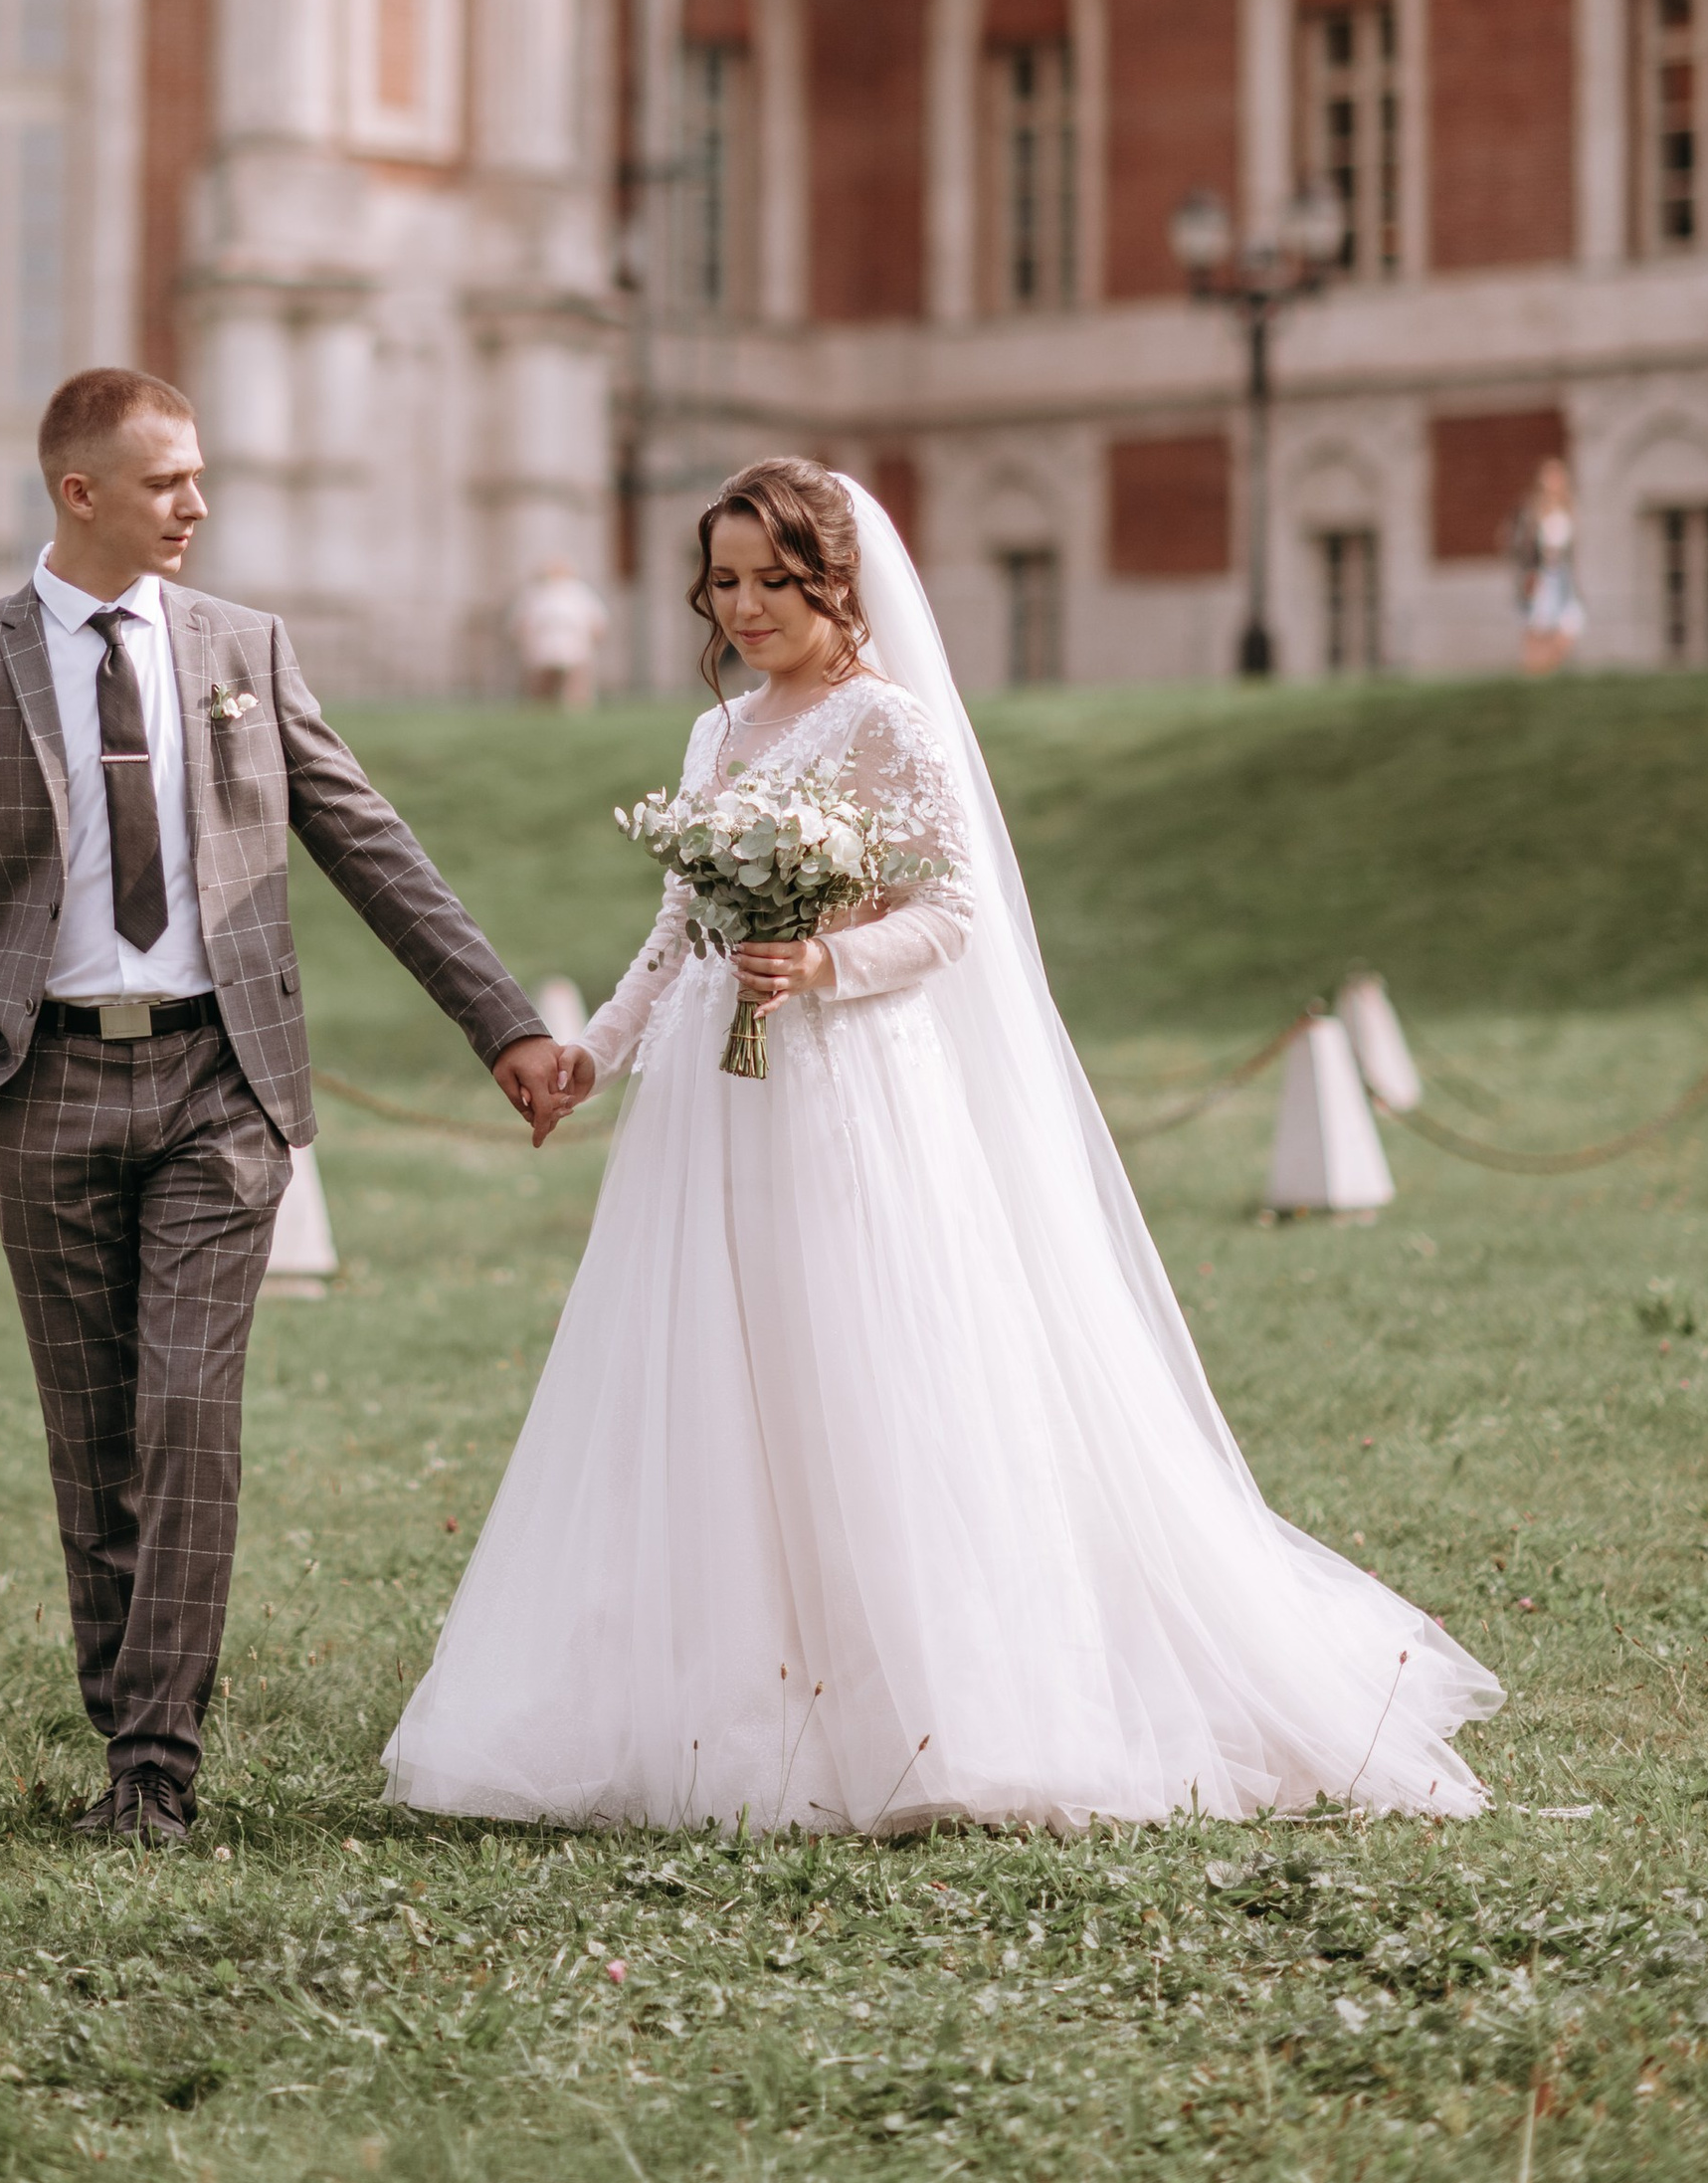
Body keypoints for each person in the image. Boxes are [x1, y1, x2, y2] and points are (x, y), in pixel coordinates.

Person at [387, 458, 1499, 1836]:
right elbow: (677, 938)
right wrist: (591, 1057)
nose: (743, 607)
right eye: (724, 581)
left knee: (854, 1370)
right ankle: (723, 1693)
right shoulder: (713, 734)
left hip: (844, 1086)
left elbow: (952, 918)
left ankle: (918, 1704)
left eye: (773, 581)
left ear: (836, 579)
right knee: (715, 1381)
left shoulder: (887, 727)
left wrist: (826, 964)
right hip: (709, 1109)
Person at [0, 368, 585, 1849]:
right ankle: (122, 1711)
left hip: (221, 1085)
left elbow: (367, 842)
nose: (197, 503)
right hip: (45, 1084)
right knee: (94, 1433)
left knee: (188, 1409)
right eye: (167, 481)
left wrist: (501, 1023)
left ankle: (154, 1769)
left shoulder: (244, 649)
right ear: (81, 495)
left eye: (197, 476)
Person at [1512, 455, 1586, 676]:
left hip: (1562, 577)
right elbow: (1521, 546)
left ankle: (1545, 672)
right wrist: (1529, 575)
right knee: (1537, 631)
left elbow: (1571, 552)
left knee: (1570, 625)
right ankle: (1534, 677)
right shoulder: (1532, 511)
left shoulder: (1569, 509)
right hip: (1540, 575)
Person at [509, 555, 611, 709]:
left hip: (574, 643)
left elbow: (596, 620)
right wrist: (525, 642)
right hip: (543, 644)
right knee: (542, 681)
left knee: (576, 680)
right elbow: (522, 622)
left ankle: (576, 707)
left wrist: (593, 641)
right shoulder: (535, 594)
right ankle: (541, 708)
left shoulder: (580, 592)